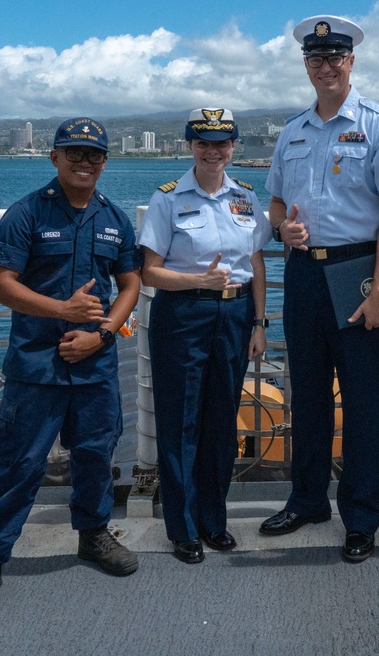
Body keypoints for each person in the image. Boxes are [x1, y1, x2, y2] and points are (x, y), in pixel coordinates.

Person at [0, 118, 141, 621]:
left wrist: (100, 335)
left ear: (105, 162)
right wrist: (63, 312)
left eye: (94, 155)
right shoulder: (26, 214)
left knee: (95, 455)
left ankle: (94, 535)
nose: (84, 162)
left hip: (95, 363)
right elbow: (0, 284)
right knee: (20, 464)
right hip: (37, 366)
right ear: (54, 157)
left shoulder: (114, 219)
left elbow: (129, 284)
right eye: (74, 153)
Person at [259, 15, 379, 563]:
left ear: (351, 62)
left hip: (358, 272)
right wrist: (283, 228)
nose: (325, 67)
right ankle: (307, 500)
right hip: (305, 273)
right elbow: (277, 203)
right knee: (305, 393)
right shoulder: (292, 132)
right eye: (315, 59)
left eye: (334, 58)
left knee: (364, 400)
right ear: (306, 65)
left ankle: (360, 515)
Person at [138, 108, 271, 564]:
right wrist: (197, 282)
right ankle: (183, 527)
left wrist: (258, 323)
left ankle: (214, 520)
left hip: (235, 316)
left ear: (233, 146)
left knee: (220, 422)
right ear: (189, 146)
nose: (213, 151)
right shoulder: (168, 199)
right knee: (180, 424)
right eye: (203, 143)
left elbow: (255, 264)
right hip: (183, 316)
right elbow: (148, 272)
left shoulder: (246, 198)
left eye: (222, 143)